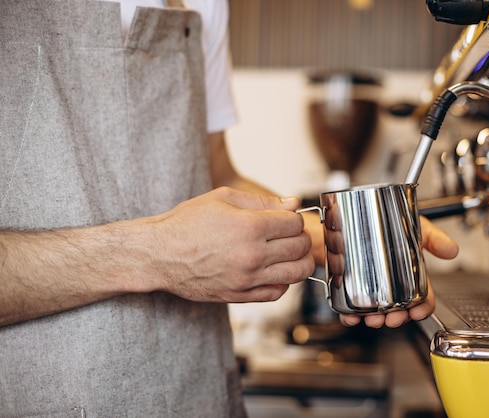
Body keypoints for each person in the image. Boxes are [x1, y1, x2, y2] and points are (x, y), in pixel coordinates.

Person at [0, 0, 459, 416]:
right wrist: (153, 253)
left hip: (196, 393)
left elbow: (214, 171)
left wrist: (343, 235)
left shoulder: (206, 5)